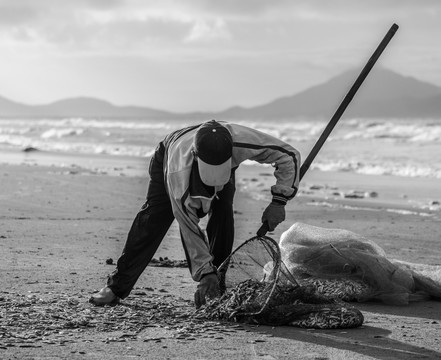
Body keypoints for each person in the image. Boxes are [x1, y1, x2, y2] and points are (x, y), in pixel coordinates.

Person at [90, 120, 300, 308]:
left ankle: (219, 282)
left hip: (219, 157)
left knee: (223, 210)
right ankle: (116, 287)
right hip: (169, 153)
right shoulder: (177, 175)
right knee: (153, 219)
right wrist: (203, 273)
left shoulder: (240, 142)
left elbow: (289, 155)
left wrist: (279, 201)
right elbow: (189, 228)